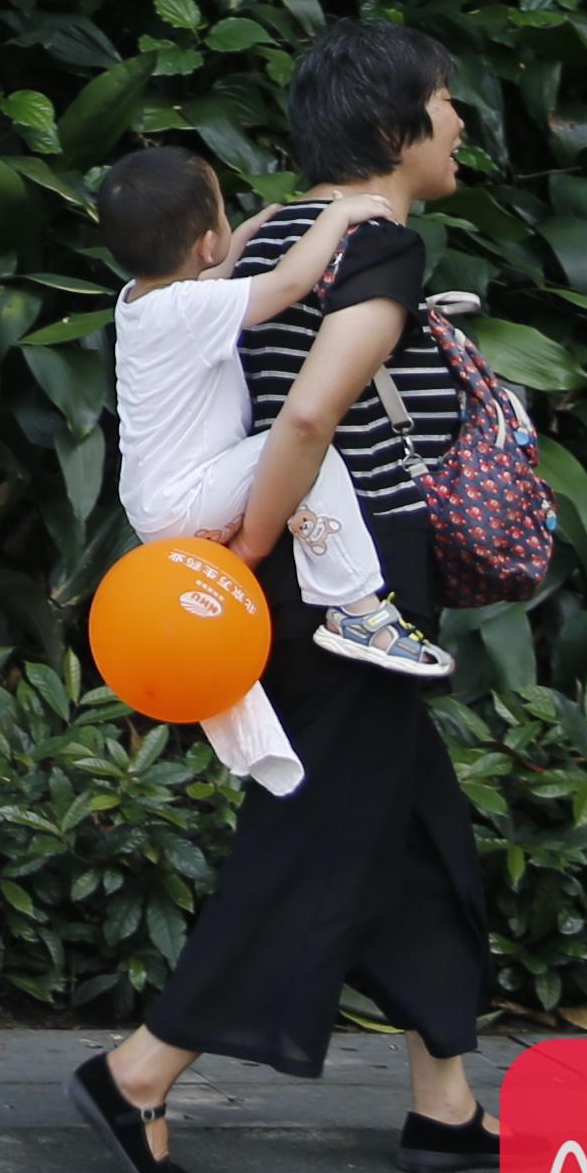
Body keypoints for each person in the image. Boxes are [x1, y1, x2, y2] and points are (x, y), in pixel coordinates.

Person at [73, 20, 501, 1173]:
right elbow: (309, 419)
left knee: (417, 829)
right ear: (391, 130)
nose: (460, 121)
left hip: (306, 573)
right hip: (331, 581)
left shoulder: (264, 243)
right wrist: (254, 541)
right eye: (446, 101)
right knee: (315, 831)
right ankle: (141, 1071)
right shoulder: (376, 253)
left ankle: (444, 1102)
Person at [98, 142, 448, 814]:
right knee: (305, 451)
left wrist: (253, 228)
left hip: (162, 503)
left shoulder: (143, 303)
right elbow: (286, 287)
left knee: (286, 455)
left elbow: (214, 276)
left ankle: (277, 721)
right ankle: (355, 608)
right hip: (187, 499)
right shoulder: (189, 311)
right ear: (206, 242)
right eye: (228, 214)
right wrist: (335, 219)